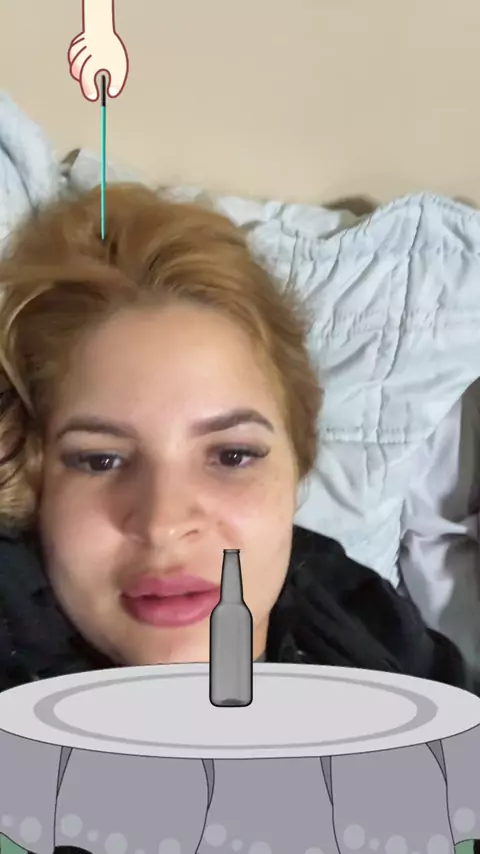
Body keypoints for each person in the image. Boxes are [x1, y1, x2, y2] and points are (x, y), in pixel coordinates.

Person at [0, 183, 475, 695]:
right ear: (31, 482)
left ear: (297, 464)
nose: (164, 524)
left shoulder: (359, 612)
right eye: (101, 460)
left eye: (232, 455)